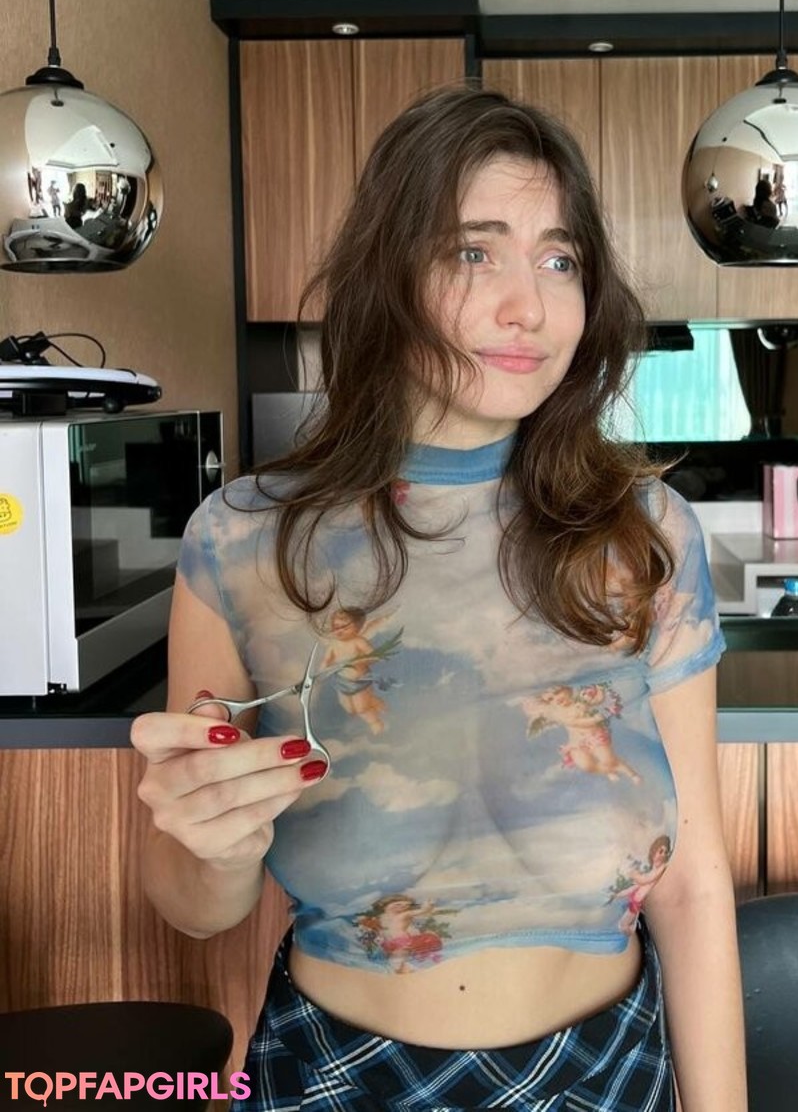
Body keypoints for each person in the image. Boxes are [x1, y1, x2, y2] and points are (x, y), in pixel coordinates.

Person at [131, 86, 747, 1112]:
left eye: (559, 260)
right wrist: (215, 843)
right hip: (336, 1078)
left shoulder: (645, 535)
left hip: (606, 1074)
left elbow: (692, 883)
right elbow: (194, 905)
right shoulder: (243, 542)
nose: (529, 306)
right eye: (474, 251)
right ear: (389, 275)